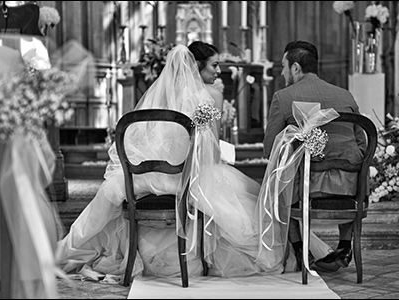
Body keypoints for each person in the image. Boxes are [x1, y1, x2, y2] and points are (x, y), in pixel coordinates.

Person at [56, 41, 313, 284]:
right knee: (241, 202)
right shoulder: (209, 96)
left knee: (112, 194)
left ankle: (76, 247)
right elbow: (209, 154)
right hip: (187, 176)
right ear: (196, 66)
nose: (219, 71)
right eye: (214, 65)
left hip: (152, 176)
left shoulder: (161, 97)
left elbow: (147, 140)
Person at [263, 40, 367, 272]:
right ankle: (344, 246)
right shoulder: (345, 96)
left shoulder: (283, 97)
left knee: (279, 178)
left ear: (296, 68)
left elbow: (270, 149)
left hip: (305, 190)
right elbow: (362, 145)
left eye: (283, 66)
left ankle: (300, 249)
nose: (281, 72)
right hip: (350, 188)